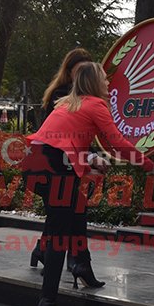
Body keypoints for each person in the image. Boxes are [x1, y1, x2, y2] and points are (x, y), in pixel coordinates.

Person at [25, 62, 154, 306]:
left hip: (34, 162)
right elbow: (118, 144)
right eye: (104, 78)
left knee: (76, 210)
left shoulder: (67, 103)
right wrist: (150, 166)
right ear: (93, 83)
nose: (108, 83)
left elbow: (61, 140)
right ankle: (48, 300)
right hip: (54, 166)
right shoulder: (96, 105)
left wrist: (89, 159)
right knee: (59, 234)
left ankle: (82, 267)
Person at [29, 48, 95, 271]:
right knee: (64, 212)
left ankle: (44, 252)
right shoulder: (63, 94)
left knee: (60, 214)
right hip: (56, 162)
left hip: (65, 162)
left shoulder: (73, 94)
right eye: (79, 70)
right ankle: (74, 260)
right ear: (69, 71)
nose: (82, 75)